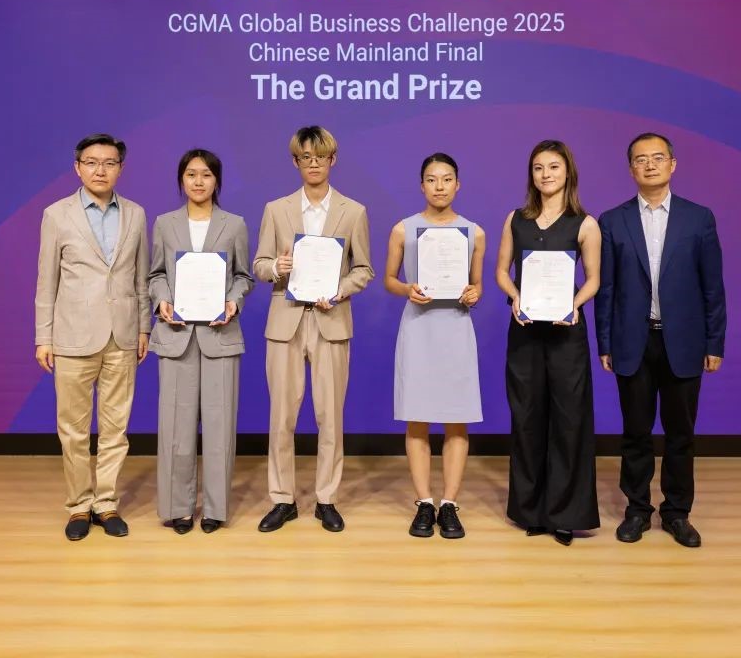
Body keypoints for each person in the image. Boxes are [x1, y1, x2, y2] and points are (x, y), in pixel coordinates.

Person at [595, 132, 726, 548]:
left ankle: (677, 512)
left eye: (657, 157)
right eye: (640, 159)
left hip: (684, 342)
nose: (649, 165)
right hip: (632, 341)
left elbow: (713, 286)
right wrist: (604, 342)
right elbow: (606, 289)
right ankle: (637, 510)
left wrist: (715, 343)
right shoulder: (612, 221)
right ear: (630, 168)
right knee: (635, 432)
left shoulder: (698, 218)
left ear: (672, 164)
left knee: (680, 434)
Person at [253, 126, 374, 533]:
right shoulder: (276, 209)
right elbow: (260, 265)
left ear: (332, 160)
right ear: (296, 162)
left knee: (329, 416)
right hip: (285, 320)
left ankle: (327, 499)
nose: (314, 163)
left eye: (320, 157)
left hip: (331, 320)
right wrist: (277, 267)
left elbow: (364, 269)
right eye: (306, 157)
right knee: (281, 416)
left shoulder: (353, 211)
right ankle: (282, 499)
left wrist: (340, 291)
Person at [35, 133, 151, 541]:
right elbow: (46, 280)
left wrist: (143, 327)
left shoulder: (135, 214)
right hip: (72, 336)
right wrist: (43, 336)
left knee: (116, 428)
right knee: (73, 429)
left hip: (122, 335)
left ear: (121, 168)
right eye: (92, 162)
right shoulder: (57, 214)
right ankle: (79, 505)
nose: (100, 170)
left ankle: (106, 503)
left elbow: (140, 278)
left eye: (109, 163)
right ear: (77, 168)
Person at [495, 139, 601, 546]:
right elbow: (502, 271)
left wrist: (574, 304)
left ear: (568, 171)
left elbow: (593, 279)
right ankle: (531, 511)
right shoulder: (515, 219)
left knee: (569, 421)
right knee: (527, 418)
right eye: (538, 168)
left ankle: (566, 514)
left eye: (554, 167)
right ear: (531, 174)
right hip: (525, 330)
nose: (546, 174)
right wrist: (515, 297)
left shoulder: (585, 224)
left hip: (565, 332)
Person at [148, 149, 254, 534]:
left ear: (216, 181)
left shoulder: (234, 224)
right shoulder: (164, 224)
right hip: (176, 335)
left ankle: (215, 508)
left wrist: (234, 302)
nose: (198, 181)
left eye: (206, 174)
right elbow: (156, 274)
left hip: (220, 335)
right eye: (191, 174)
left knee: (220, 424)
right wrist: (162, 299)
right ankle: (177, 508)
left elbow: (243, 276)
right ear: (181, 179)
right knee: (175, 426)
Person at [384, 153, 485, 539]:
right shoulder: (403, 229)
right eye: (431, 179)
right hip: (419, 328)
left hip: (456, 328)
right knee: (418, 417)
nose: (439, 186)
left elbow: (477, 284)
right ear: (421, 185)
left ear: (458, 184)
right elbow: (390, 279)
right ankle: (424, 502)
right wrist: (406, 289)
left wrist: (475, 293)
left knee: (457, 418)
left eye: (446, 179)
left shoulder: (474, 232)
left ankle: (450, 504)